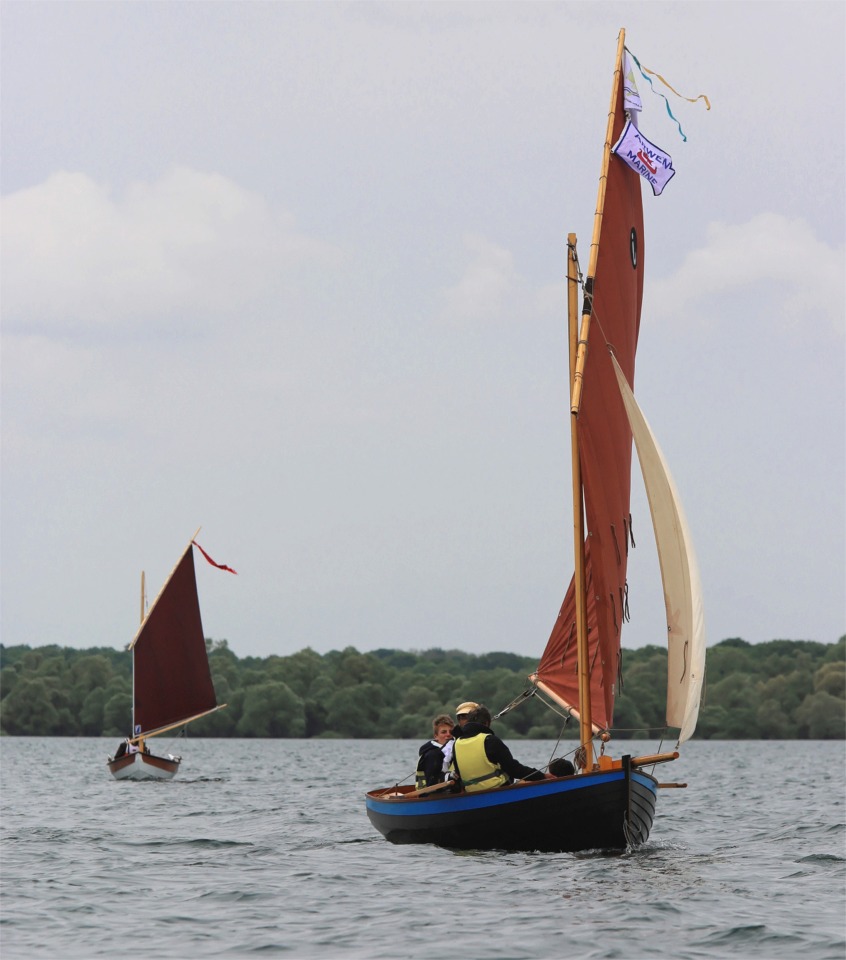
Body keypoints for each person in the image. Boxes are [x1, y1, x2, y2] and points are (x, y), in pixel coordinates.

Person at [452, 705, 554, 793]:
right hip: (497, 791)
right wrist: (542, 776)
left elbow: (459, 773)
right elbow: (514, 769)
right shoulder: (490, 740)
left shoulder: (456, 744)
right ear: (487, 723)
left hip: (472, 795)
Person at [415, 714, 455, 789]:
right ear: (436, 736)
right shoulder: (432, 755)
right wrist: (450, 776)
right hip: (429, 796)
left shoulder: (452, 751)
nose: (448, 734)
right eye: (444, 732)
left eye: (451, 732)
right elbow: (432, 783)